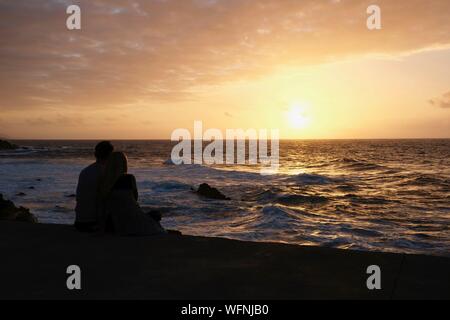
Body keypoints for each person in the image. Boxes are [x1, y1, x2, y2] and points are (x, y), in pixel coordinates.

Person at [98, 152, 167, 236]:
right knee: (156, 214)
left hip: (118, 223)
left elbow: (104, 207)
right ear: (124, 164)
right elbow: (135, 199)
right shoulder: (129, 178)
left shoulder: (104, 183)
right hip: (134, 221)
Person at [74, 141, 114, 232]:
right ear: (110, 155)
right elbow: (102, 200)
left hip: (80, 221)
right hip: (94, 222)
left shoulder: (85, 171)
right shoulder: (105, 173)